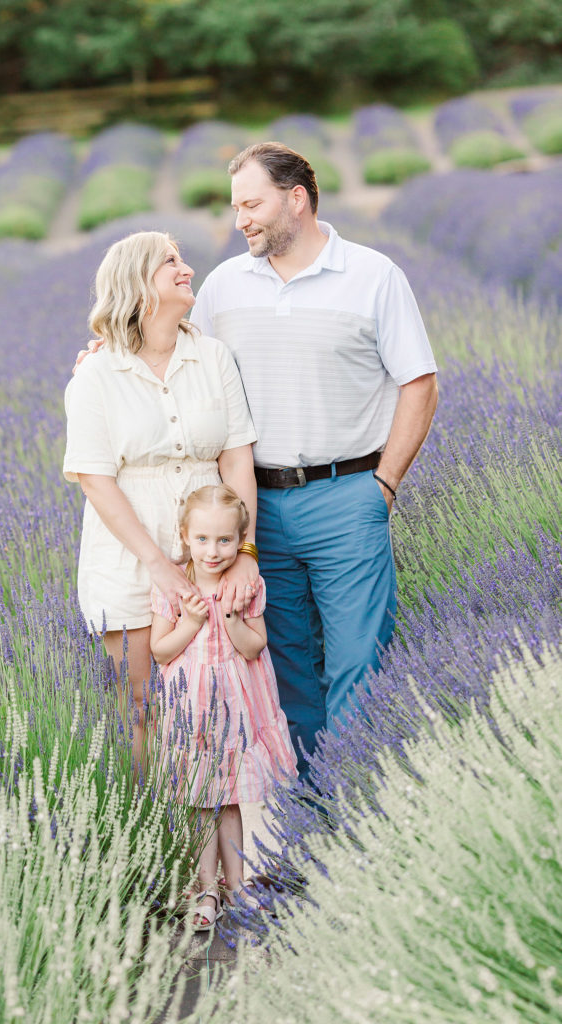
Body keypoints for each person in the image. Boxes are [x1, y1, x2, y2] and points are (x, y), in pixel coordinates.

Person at [189, 143, 439, 776]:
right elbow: (179, 364)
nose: (240, 218)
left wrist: (382, 486)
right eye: (236, 205)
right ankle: (311, 817)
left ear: (295, 198)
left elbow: (420, 383)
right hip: (256, 510)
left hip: (347, 495)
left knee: (360, 662)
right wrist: (102, 352)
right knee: (286, 665)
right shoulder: (222, 287)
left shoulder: (373, 275)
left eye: (253, 204)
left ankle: (361, 808)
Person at [63, 231, 259, 765]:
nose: (187, 268)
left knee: (212, 706)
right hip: (127, 565)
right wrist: (158, 565)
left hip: (210, 560)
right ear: (137, 283)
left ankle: (220, 835)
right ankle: (164, 839)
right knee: (144, 709)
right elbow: (95, 479)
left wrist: (245, 554)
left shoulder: (213, 357)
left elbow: (237, 457)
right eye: (171, 261)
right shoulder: (96, 375)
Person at [150, 484, 297, 929]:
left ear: (241, 540)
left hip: (236, 700)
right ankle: (206, 890)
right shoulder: (173, 587)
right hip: (192, 703)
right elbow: (160, 651)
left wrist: (229, 616)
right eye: (202, 540)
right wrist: (193, 621)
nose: (213, 551)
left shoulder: (247, 585)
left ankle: (237, 886)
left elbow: (255, 647)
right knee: (199, 800)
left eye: (225, 540)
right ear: (184, 536)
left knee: (230, 797)